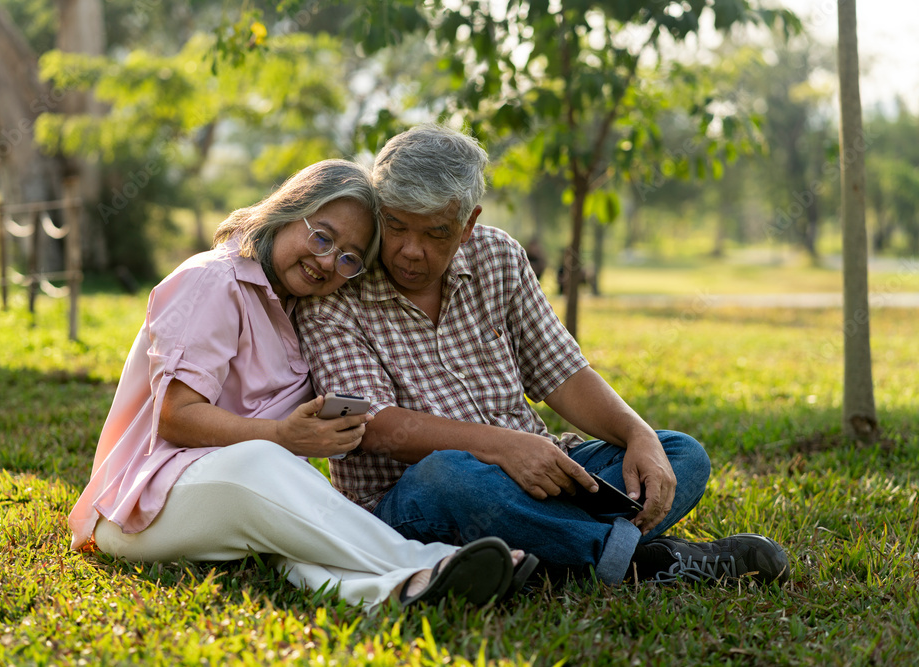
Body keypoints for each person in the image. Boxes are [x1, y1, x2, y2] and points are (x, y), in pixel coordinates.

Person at [297, 126, 789, 588]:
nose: (409, 250)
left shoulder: (499, 256)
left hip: (539, 475)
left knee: (681, 454)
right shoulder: (339, 285)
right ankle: (640, 562)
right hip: (417, 496)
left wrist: (637, 435)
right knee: (448, 476)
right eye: (397, 226)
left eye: (435, 234)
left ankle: (547, 555)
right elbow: (374, 424)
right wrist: (503, 446)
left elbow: (564, 374)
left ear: (469, 224)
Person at [67, 159, 535, 611]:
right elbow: (176, 417)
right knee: (263, 464)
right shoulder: (213, 280)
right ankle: (429, 562)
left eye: (349, 258)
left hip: (226, 499)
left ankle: (395, 591)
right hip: (138, 508)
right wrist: (282, 437)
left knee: (292, 532)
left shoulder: (301, 312)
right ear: (289, 209)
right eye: (322, 237)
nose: (328, 261)